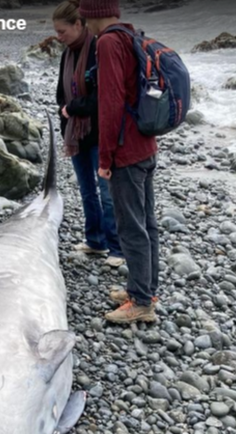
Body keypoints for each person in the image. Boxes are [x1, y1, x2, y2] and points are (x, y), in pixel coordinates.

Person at [81, 0, 161, 324]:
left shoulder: (108, 42)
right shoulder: (130, 36)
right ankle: (144, 289)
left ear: (92, 13)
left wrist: (105, 157)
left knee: (131, 229)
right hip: (145, 146)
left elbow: (110, 103)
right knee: (147, 224)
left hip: (126, 152)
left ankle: (141, 303)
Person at [54, 0, 125, 268]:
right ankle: (95, 241)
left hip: (97, 132)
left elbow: (102, 96)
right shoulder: (67, 54)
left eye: (63, 31)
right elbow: (61, 93)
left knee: (107, 193)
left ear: (79, 24)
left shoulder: (98, 48)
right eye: (57, 32)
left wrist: (72, 108)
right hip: (75, 133)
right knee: (86, 191)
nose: (59, 37)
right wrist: (67, 111)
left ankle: (117, 247)